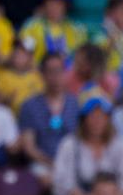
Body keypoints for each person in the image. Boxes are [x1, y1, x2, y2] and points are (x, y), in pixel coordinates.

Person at [53, 90, 123, 195]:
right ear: (83, 119)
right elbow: (61, 182)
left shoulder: (120, 144)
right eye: (92, 116)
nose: (97, 121)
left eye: (102, 116)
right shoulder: (69, 144)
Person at [19, 52, 79, 185]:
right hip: (43, 164)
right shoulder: (30, 106)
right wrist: (52, 163)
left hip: (73, 161)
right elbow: (29, 147)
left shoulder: (75, 103)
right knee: (47, 179)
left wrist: (65, 164)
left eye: (59, 71)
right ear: (42, 74)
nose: (55, 77)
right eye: (50, 71)